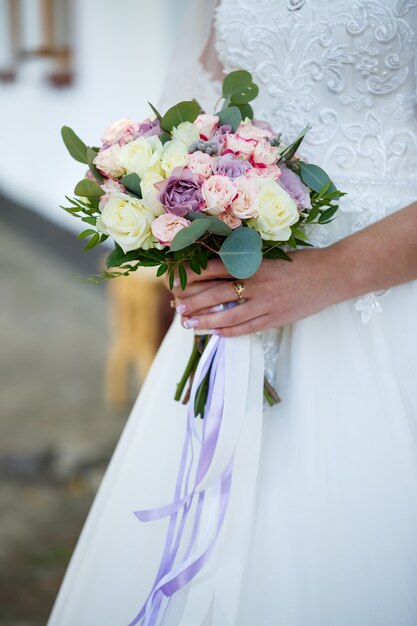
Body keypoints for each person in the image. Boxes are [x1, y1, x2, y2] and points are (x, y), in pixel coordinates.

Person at [48, 1, 417, 624]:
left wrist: (327, 274)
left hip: (386, 297)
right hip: (244, 288)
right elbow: (201, 104)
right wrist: (183, 221)